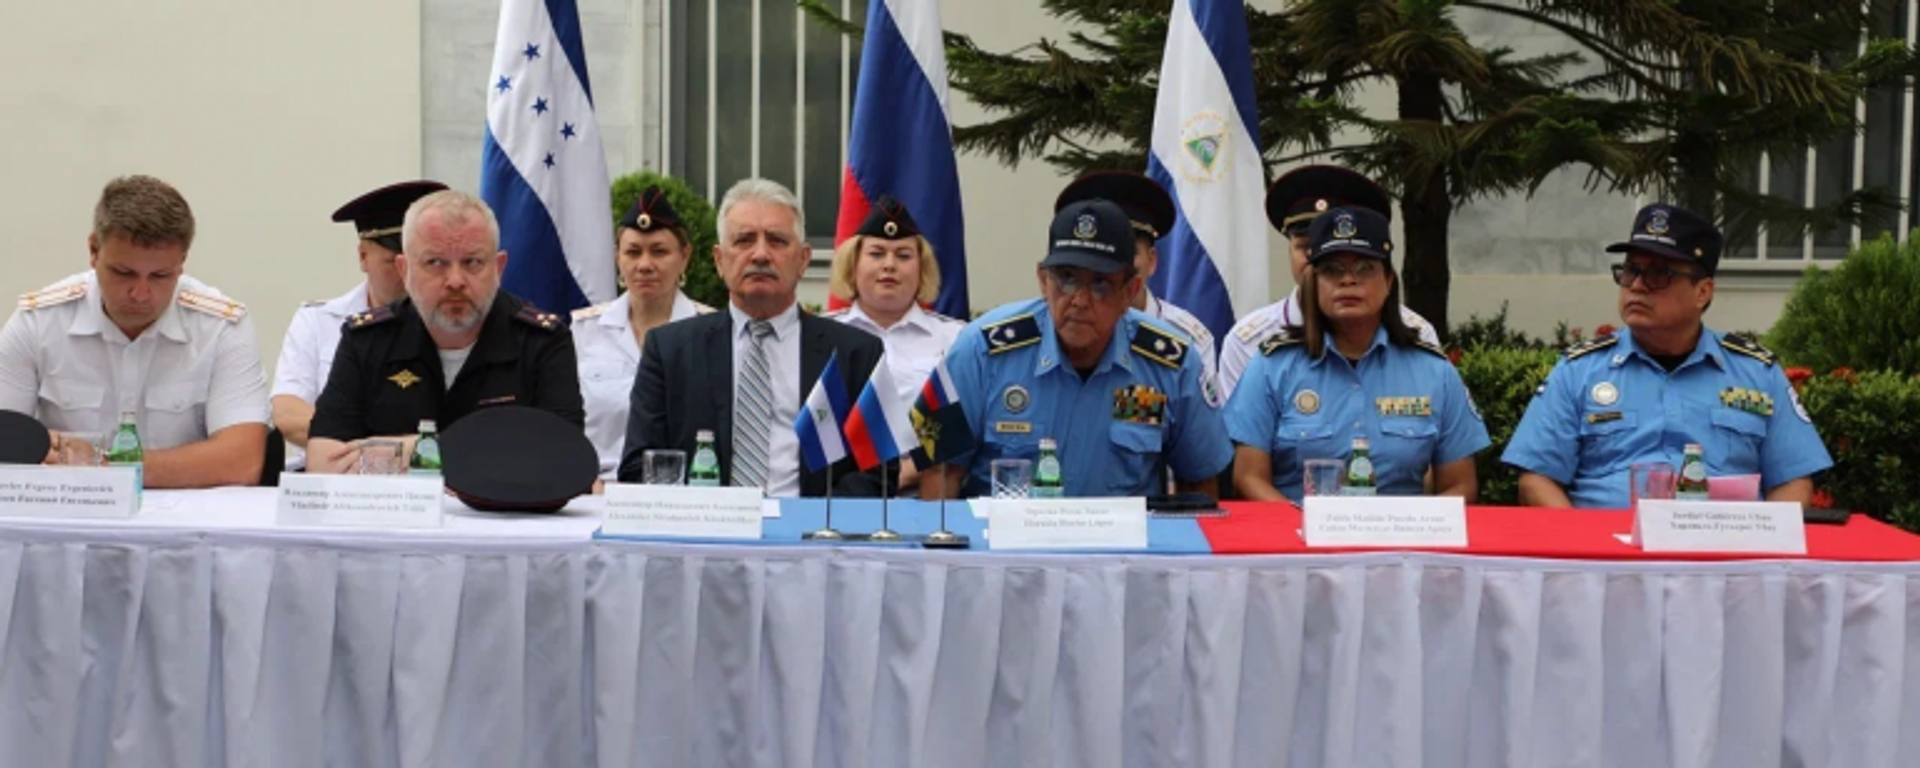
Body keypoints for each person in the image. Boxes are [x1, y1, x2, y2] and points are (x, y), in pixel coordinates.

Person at [1503, 204, 1832, 508]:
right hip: (1608, 557)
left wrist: (1759, 552)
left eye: (1658, 274)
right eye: (1631, 271)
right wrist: (1585, 551)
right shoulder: (1579, 370)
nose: (1637, 286)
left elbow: (1793, 481)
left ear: (1702, 292)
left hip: (1722, 559)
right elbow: (1536, 479)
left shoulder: (1756, 373)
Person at [919, 198, 1231, 499]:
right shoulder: (981, 349)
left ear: (1130, 291)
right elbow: (939, 472)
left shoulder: (1170, 362)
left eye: (1100, 284)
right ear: (1043, 280)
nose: (1080, 301)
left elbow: (1199, 480)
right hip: (1006, 548)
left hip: (1123, 550)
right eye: (1066, 279)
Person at [619, 178, 887, 496]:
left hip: (811, 536)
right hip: (706, 535)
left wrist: (810, 524)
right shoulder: (669, 350)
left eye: (776, 241)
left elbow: (879, 470)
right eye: (744, 241)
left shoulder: (854, 353)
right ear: (719, 260)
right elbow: (640, 467)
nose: (760, 254)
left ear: (803, 260)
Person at [0, 174, 269, 487]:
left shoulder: (222, 327)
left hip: (186, 528)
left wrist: (100, 465)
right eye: (123, 273)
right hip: (66, 523)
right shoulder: (38, 321)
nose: (140, 293)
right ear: (93, 250)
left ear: (182, 262)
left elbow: (241, 463)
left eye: (159, 276)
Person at [306, 190, 584, 473]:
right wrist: (497, 453)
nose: (455, 281)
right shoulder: (366, 339)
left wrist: (420, 449)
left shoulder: (543, 341)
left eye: (472, 262)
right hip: (397, 514)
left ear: (499, 268)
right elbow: (323, 462)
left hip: (502, 518)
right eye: (435, 263)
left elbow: (563, 458)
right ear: (404, 270)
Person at [1223, 206, 1488, 502]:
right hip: (1296, 539)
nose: (1348, 281)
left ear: (1388, 281)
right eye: (1332, 270)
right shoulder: (1271, 366)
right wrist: (1304, 530)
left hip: (1402, 543)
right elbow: (1247, 478)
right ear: (1314, 284)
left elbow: (1461, 486)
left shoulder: (1433, 371)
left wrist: (1411, 530)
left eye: (1364, 268)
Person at [1219, 165, 1439, 401]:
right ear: (1289, 248)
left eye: (1350, 260)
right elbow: (1239, 435)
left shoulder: (1414, 332)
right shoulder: (1250, 341)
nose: (1315, 263)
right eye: (1306, 248)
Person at [271, 180, 448, 471]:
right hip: (333, 478)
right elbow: (288, 415)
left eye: (424, 261)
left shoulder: (449, 325)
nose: (408, 273)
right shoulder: (319, 320)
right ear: (363, 257)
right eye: (394, 261)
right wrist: (391, 450)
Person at [823, 194, 965, 488]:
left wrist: (900, 476)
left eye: (903, 255)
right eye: (876, 254)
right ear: (853, 264)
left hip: (925, 496)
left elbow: (961, 428)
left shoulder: (955, 339)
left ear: (922, 268)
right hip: (836, 496)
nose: (889, 265)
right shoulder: (822, 335)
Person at [573, 186, 715, 478]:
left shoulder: (711, 332)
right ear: (617, 258)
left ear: (685, 256)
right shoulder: (583, 331)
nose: (645, 265)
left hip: (685, 497)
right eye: (633, 252)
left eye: (659, 252)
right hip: (595, 495)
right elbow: (565, 427)